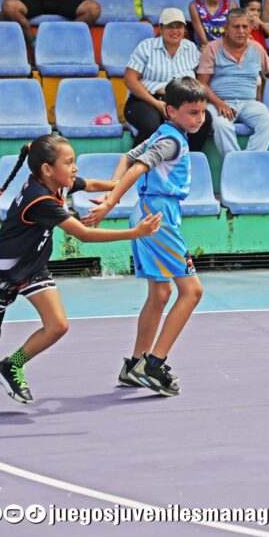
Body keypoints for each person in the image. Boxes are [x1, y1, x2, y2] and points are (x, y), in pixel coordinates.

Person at [0, 135, 162, 408]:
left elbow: (92, 184)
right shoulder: (39, 199)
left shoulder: (56, 183)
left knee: (58, 326)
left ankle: (10, 366)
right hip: (4, 270)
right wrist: (136, 232)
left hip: (33, 266)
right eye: (69, 162)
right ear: (47, 169)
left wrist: (123, 186)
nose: (75, 168)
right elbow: (84, 235)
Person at [83, 78, 208, 396]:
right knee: (192, 292)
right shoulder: (172, 142)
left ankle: (134, 366)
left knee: (160, 294)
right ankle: (154, 365)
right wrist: (112, 200)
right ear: (171, 111)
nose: (199, 119)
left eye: (202, 113)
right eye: (192, 112)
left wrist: (114, 187)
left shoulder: (163, 133)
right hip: (159, 218)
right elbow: (137, 168)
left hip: (148, 211)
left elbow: (127, 158)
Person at [197, 9, 269, 155]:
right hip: (219, 102)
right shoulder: (212, 48)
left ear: (250, 27)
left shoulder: (256, 48)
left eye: (245, 27)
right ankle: (236, 163)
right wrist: (219, 103)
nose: (241, 31)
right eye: (236, 27)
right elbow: (201, 84)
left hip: (249, 103)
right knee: (220, 125)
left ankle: (248, 160)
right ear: (226, 28)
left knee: (268, 122)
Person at [123, 7, 212, 150]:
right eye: (170, 26)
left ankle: (186, 162)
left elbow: (202, 78)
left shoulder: (191, 49)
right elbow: (129, 79)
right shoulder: (147, 47)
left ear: (184, 30)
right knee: (151, 124)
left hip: (181, 102)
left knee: (203, 120)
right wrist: (155, 103)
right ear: (161, 28)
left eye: (179, 27)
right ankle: (135, 166)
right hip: (147, 99)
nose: (175, 31)